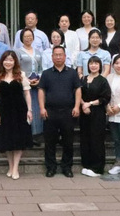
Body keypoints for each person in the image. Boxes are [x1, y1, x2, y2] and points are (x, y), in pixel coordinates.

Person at [38, 46, 81, 178]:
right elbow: (41, 90)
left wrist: (77, 106)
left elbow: (78, 90)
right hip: (50, 112)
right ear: (52, 57)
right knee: (50, 142)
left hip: (68, 112)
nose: (58, 57)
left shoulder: (72, 73)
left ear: (65, 56)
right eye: (55, 55)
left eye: (60, 55)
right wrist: (42, 108)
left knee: (68, 141)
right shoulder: (46, 74)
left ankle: (66, 167)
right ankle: (51, 167)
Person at [0, 51, 33, 180]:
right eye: (6, 60)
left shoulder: (21, 75)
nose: (8, 62)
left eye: (11, 60)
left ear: (15, 61)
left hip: (19, 111)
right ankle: (10, 166)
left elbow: (27, 93)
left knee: (18, 140)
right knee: (7, 140)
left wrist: (29, 110)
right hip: (4, 111)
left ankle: (16, 168)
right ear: (2, 61)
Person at [79, 56, 112, 177]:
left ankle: (97, 168)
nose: (93, 66)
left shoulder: (103, 80)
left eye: (96, 63)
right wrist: (83, 105)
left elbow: (105, 97)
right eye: (91, 63)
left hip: (97, 113)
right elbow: (77, 93)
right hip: (84, 112)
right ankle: (86, 165)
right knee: (85, 138)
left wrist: (90, 104)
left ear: (100, 66)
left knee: (96, 139)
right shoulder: (83, 79)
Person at [14, 28, 44, 139]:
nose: (28, 38)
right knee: (26, 108)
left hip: (37, 84)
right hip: (24, 84)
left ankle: (36, 134)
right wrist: (26, 80)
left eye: (30, 36)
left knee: (36, 108)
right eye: (25, 36)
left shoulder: (38, 52)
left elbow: (41, 68)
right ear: (21, 38)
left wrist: (39, 79)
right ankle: (26, 134)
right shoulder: (17, 52)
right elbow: (16, 68)